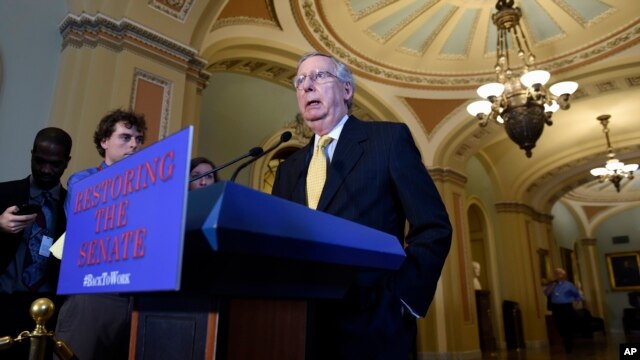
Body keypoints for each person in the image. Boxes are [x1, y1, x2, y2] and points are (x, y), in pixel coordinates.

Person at [271, 52, 452, 359]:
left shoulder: (388, 140)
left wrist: (404, 298)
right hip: (300, 323)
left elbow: (433, 226)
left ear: (346, 89)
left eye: (319, 76)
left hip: (374, 321)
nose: (306, 86)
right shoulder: (289, 168)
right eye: (300, 81)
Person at [54, 109, 146, 360]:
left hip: (135, 294)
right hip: (91, 293)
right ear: (105, 141)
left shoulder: (147, 186)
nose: (134, 145)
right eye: (125, 137)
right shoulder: (83, 180)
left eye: (138, 139)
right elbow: (86, 224)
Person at [0, 127, 72, 357]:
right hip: (2, 303)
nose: (46, 169)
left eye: (55, 163)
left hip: (48, 312)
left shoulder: (75, 206)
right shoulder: (3, 192)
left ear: (67, 162)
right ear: (31, 154)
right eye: (39, 161)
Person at [544, 267, 582, 353]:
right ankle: (566, 340)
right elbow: (546, 293)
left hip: (567, 307)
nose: (557, 275)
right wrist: (553, 285)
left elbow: (577, 296)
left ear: (564, 275)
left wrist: (574, 305)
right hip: (556, 308)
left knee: (568, 327)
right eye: (556, 274)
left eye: (559, 273)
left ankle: (569, 346)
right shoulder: (552, 285)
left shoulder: (569, 285)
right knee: (559, 326)